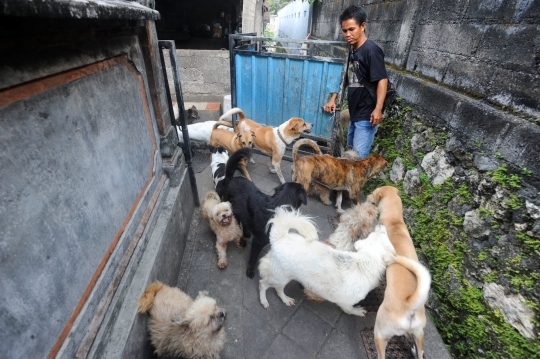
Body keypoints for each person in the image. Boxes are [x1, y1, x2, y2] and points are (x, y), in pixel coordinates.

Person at [323, 5, 388, 159]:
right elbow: (345, 79)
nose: (348, 34)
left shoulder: (371, 50)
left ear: (363, 26)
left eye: (351, 29)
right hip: (354, 113)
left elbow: (382, 80)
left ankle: (353, 184)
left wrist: (378, 109)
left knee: (357, 160)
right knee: (349, 154)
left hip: (366, 116)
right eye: (345, 31)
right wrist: (333, 99)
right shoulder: (352, 50)